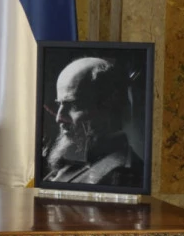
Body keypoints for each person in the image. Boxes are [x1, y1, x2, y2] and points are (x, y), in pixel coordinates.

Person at [42, 56, 143, 188]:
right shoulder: (78, 164)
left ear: (109, 105)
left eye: (73, 105)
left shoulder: (120, 177)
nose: (59, 117)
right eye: (59, 104)